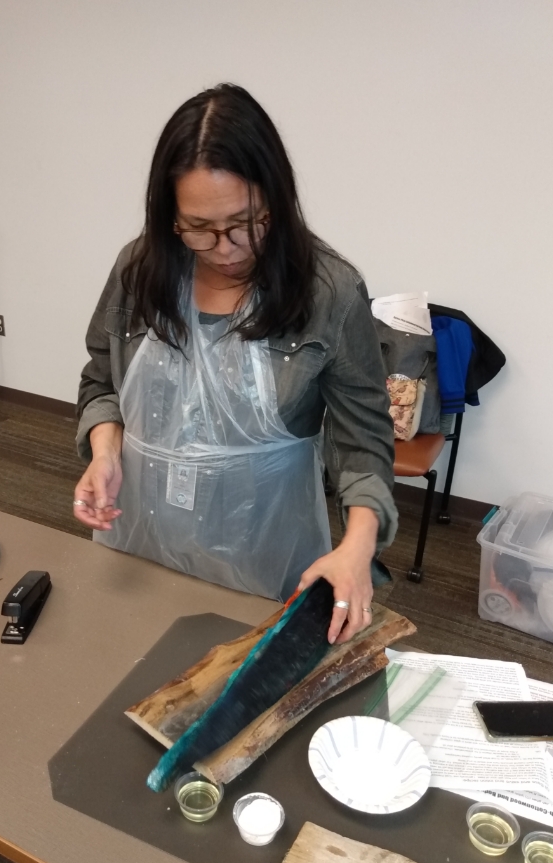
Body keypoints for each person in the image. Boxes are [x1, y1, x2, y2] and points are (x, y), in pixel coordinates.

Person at [74, 84, 397, 644]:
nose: (224, 247)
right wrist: (104, 452)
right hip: (143, 530)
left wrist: (356, 546)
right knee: (127, 662)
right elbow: (101, 378)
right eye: (197, 227)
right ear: (168, 213)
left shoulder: (329, 292)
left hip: (265, 540)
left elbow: (363, 442)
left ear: (275, 197)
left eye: (244, 222)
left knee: (240, 685)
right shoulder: (140, 269)